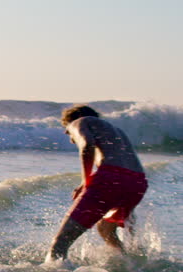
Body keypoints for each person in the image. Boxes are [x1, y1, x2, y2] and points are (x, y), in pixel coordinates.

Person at [47, 104, 147, 261]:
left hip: (110, 179)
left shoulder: (78, 122)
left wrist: (85, 183)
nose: (68, 135)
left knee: (60, 242)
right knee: (105, 228)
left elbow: (87, 146)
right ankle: (127, 262)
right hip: (137, 182)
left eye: (66, 130)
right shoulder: (117, 131)